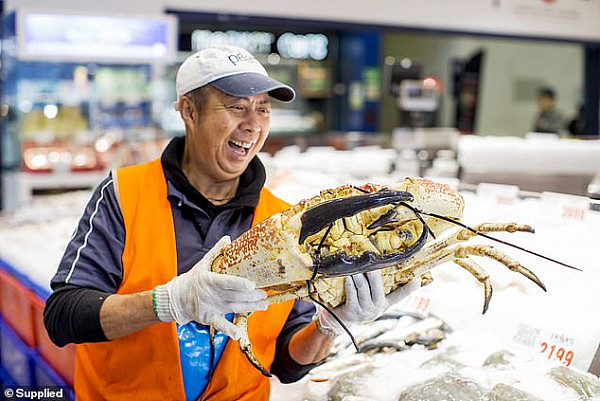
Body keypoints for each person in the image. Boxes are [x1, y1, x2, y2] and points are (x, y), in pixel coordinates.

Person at [43, 45, 419, 401]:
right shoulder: (125, 193)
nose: (253, 125)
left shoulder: (286, 222)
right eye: (237, 107)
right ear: (189, 111)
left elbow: (288, 362)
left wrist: (329, 326)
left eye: (263, 109)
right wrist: (168, 303)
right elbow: (64, 315)